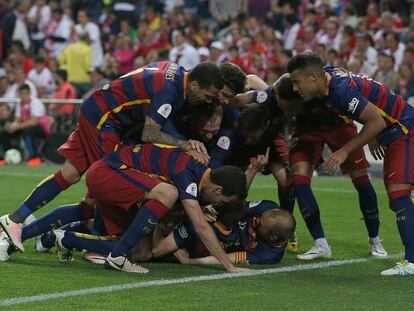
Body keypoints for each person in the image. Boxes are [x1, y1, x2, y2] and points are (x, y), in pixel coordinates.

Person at [0, 61, 224, 253]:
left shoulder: (174, 72)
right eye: (208, 95)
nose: (208, 101)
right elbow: (149, 133)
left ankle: (16, 222)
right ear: (194, 84)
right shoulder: (169, 90)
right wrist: (185, 144)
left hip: (98, 111)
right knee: (105, 187)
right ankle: (83, 245)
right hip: (106, 120)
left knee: (69, 176)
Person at [287, 52, 414, 276]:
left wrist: (345, 151)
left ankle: (411, 262)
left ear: (314, 77)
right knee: (399, 200)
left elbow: (375, 120)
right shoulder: (329, 81)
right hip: (393, 130)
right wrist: (374, 133)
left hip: (404, 129)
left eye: (297, 82)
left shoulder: (339, 91)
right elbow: (371, 105)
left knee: (399, 194)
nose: (296, 89)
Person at [53, 143, 249, 273]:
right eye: (222, 201)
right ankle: (52, 237)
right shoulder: (188, 174)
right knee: (92, 216)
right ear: (217, 189)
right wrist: (229, 266)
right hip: (116, 177)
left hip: (132, 187)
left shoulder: (202, 173)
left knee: (141, 253)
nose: (217, 205)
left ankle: (66, 239)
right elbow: (200, 226)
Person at [276, 74, 387, 260]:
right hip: (306, 130)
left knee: (361, 179)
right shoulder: (284, 87)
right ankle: (320, 244)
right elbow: (257, 88)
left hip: (339, 126)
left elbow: (360, 103)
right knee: (299, 179)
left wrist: (373, 133)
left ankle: (374, 239)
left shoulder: (331, 87)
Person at [152, 200, 296, 266]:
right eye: (259, 218)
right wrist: (206, 209)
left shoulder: (270, 254)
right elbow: (236, 206)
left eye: (261, 225)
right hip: (224, 220)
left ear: (272, 237)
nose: (257, 220)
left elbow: (230, 258)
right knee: (157, 251)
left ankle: (163, 225)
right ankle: (165, 217)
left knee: (157, 253)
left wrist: (190, 261)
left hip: (225, 241)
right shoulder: (267, 208)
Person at [3, 84, 51, 166]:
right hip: (26, 126)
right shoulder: (20, 104)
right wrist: (12, 126)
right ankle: (4, 156)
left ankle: (34, 157)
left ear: (30, 93)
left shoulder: (35, 102)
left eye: (25, 94)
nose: (23, 96)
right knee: (5, 132)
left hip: (42, 129)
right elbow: (18, 120)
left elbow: (34, 122)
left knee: (28, 131)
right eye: (21, 94)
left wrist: (16, 126)